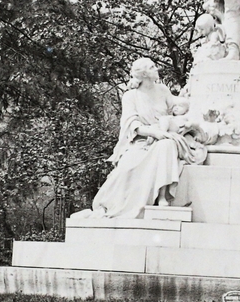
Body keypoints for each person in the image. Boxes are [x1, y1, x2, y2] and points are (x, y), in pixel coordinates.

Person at [80, 59, 193, 220]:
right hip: (140, 141)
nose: (157, 69)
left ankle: (162, 198)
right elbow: (132, 124)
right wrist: (154, 133)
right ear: (145, 74)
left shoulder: (162, 90)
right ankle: (116, 206)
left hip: (164, 136)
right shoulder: (131, 96)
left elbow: (178, 105)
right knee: (126, 169)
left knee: (167, 145)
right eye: (153, 67)